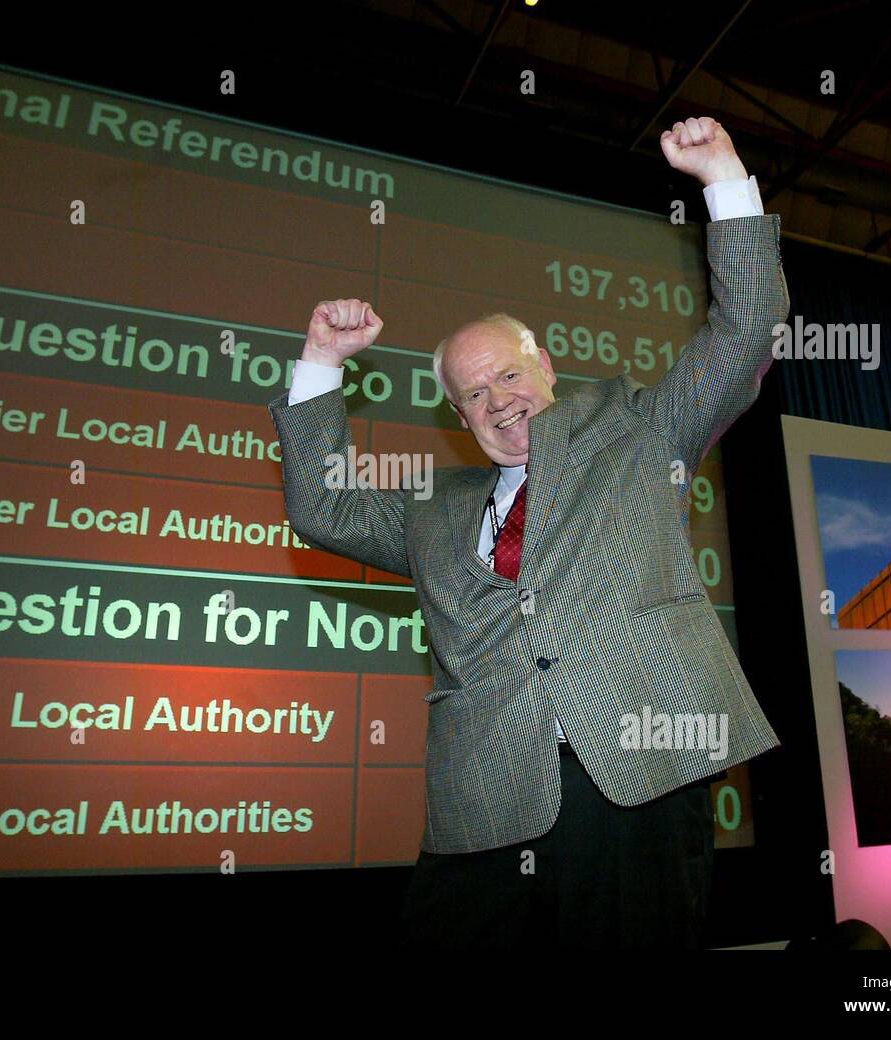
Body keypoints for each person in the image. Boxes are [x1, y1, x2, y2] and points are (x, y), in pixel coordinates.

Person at [269, 116, 789, 949]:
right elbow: (322, 509)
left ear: (545, 364)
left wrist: (722, 176)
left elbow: (746, 330)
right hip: (483, 806)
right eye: (473, 393)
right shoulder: (433, 508)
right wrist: (322, 360)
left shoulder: (641, 433)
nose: (497, 399)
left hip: (636, 779)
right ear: (457, 413)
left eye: (507, 373)